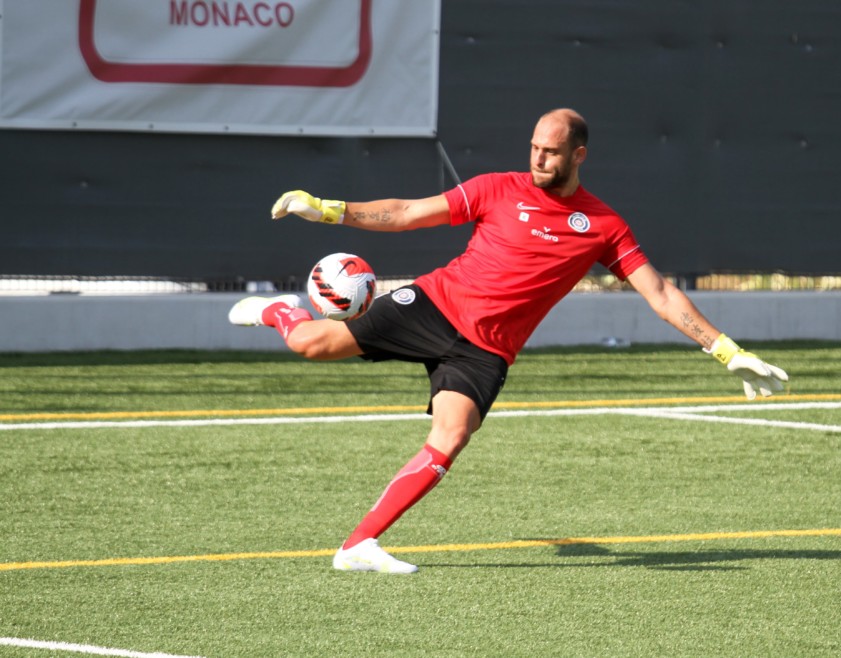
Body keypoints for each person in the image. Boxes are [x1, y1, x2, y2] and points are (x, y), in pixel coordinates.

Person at [229, 108, 788, 574]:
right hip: (434, 306)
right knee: (310, 344)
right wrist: (326, 210)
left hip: (486, 351)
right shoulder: (497, 189)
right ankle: (279, 311)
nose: (538, 158)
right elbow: (405, 214)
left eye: (550, 151)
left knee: (451, 437)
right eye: (534, 148)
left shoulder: (604, 226)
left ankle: (357, 546)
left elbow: (661, 294)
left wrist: (727, 350)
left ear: (578, 156)